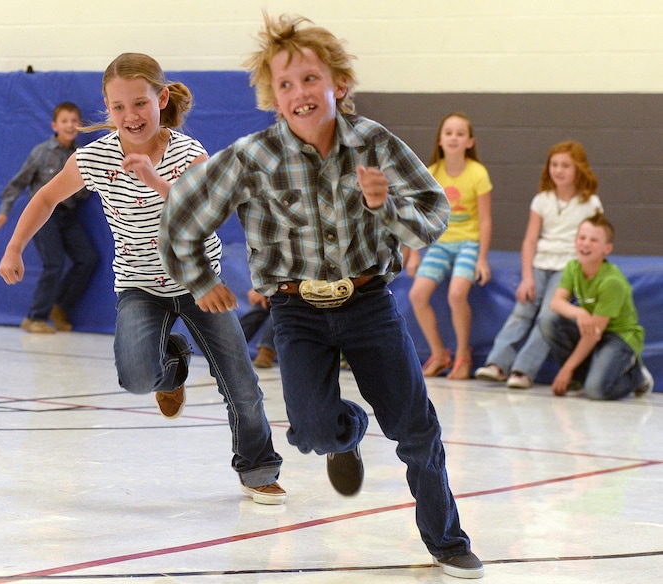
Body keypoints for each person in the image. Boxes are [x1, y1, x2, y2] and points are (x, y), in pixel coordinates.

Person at [159, 14, 483, 579]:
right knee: (309, 430)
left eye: (309, 79)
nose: (299, 93)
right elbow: (180, 216)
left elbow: (433, 216)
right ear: (273, 98)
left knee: (414, 427)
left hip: (368, 302)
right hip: (295, 308)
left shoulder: (374, 143)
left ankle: (447, 540)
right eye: (285, 85)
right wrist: (202, 280)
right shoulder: (252, 156)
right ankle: (344, 435)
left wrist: (387, 207)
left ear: (337, 83)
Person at [0, 53, 285, 505]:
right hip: (140, 286)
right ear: (107, 110)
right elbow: (46, 197)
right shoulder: (95, 158)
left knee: (240, 379)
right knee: (135, 376)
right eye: (118, 107)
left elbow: (202, 216)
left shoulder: (189, 153)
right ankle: (172, 368)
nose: (130, 116)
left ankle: (258, 468)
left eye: (140, 103)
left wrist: (154, 180)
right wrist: (14, 248)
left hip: (199, 282)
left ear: (161, 98)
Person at [475, 141, 603, 389]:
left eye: (565, 165)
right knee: (522, 310)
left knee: (548, 315)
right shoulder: (542, 200)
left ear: (579, 169)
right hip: (541, 264)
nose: (559, 170)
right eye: (554, 165)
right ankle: (498, 364)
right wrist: (527, 277)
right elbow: (530, 240)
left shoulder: (591, 203)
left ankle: (524, 369)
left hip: (568, 266)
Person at [0, 102, 98, 333]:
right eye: (64, 121)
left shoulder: (82, 156)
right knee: (54, 263)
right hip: (44, 216)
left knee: (88, 259)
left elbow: (84, 190)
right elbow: (17, 183)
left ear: (80, 125)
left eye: (74, 121)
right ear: (55, 125)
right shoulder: (42, 152)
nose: (70, 126)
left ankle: (59, 306)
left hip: (67, 215)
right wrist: (4, 211)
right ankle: (34, 317)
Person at [407, 113, 493, 380]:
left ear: (469, 142)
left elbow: (485, 219)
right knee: (417, 294)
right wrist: (413, 253)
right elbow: (418, 216)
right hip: (441, 243)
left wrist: (482, 258)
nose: (453, 137)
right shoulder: (433, 172)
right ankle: (439, 353)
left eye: (459, 133)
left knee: (457, 294)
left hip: (468, 242)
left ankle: (463, 354)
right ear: (440, 140)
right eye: (448, 133)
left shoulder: (477, 173)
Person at [539, 212, 653, 400]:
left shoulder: (611, 282)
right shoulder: (573, 267)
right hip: (592, 330)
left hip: (618, 336)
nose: (585, 243)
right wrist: (579, 312)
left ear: (606, 249)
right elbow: (556, 303)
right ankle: (579, 378)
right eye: (582, 238)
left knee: (597, 391)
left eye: (593, 240)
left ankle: (637, 377)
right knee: (549, 322)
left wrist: (565, 370)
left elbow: (594, 334)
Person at [239, 288, 277, 368]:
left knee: (278, 307)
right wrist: (261, 288)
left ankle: (266, 350)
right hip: (276, 284)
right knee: (261, 303)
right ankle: (232, 344)